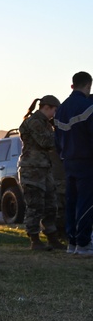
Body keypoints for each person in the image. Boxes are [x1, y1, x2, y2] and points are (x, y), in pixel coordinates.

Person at [18, 96, 65, 251]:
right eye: (54, 110)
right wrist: (59, 133)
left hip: (44, 168)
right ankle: (35, 239)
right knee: (35, 205)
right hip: (32, 169)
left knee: (51, 205)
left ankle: (52, 238)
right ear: (47, 107)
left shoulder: (44, 123)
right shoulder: (34, 122)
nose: (54, 114)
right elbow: (46, 142)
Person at [54, 71, 93, 256]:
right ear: (88, 85)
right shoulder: (88, 107)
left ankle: (72, 242)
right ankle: (84, 244)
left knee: (71, 202)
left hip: (68, 162)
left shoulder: (61, 109)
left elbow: (57, 139)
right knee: (86, 202)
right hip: (86, 161)